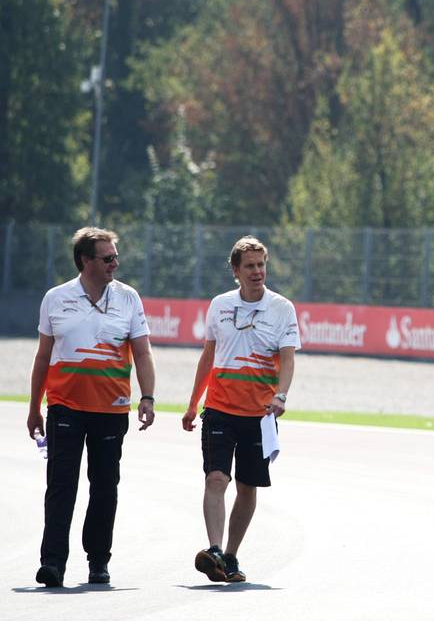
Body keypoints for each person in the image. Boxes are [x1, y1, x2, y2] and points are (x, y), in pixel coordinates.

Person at [27, 227, 156, 587]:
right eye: (108, 258)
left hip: (111, 409)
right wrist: (34, 407)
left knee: (104, 486)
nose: (116, 263)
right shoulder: (56, 298)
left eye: (116, 256)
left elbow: (143, 352)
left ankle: (98, 559)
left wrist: (147, 396)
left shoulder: (128, 298)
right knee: (61, 485)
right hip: (65, 406)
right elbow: (42, 356)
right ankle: (53, 562)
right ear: (85, 261)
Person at [182, 236, 299, 583]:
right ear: (236, 270)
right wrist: (192, 404)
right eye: (249, 266)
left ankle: (230, 556)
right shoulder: (219, 305)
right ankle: (214, 549)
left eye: (261, 265)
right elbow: (208, 357)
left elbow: (288, 359)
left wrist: (281, 396)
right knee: (216, 478)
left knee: (248, 487)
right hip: (219, 408)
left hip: (260, 414)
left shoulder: (282, 308)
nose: (257, 271)